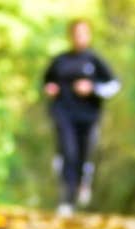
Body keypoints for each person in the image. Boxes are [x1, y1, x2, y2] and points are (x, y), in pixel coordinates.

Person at [42, 19, 121, 215]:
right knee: (68, 153)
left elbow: (114, 85)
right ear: (70, 36)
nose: (79, 37)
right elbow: (46, 82)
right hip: (63, 114)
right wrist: (50, 89)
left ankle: (80, 187)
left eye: (83, 33)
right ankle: (66, 197)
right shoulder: (59, 61)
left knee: (83, 155)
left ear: (89, 35)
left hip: (88, 117)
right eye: (76, 33)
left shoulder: (94, 60)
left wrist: (92, 88)